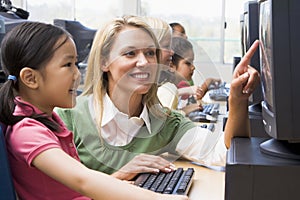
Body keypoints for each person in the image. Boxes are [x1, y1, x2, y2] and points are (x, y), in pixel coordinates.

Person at [55, 15, 260, 181]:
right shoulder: (68, 117)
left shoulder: (165, 122)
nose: (144, 62)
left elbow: (223, 154)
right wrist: (119, 177)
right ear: (104, 62)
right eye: (130, 53)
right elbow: (55, 194)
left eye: (150, 53)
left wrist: (238, 100)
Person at [0, 21, 188, 200]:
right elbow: (82, 180)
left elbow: (72, 191)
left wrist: (120, 177)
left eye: (76, 64)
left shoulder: (49, 121)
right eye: (68, 65)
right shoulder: (28, 133)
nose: (76, 74)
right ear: (31, 79)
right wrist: (158, 197)